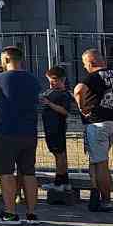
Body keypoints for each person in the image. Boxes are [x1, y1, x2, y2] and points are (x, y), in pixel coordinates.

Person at [0, 46, 43, 225]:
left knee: (6, 172)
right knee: (29, 172)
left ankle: (9, 213)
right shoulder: (33, 79)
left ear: (6, 59)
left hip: (7, 131)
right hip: (29, 131)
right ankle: (32, 213)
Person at [74, 49, 113, 212]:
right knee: (95, 160)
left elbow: (79, 90)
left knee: (101, 163)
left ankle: (106, 201)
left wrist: (81, 106)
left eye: (85, 64)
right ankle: (95, 192)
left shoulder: (92, 77)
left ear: (90, 63)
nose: (85, 67)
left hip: (97, 123)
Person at [41, 66, 73, 195]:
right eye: (50, 80)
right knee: (59, 154)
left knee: (60, 155)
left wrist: (49, 104)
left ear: (62, 79)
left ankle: (59, 183)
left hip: (56, 128)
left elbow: (65, 111)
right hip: (50, 127)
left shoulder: (64, 94)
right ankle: (65, 182)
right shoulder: (50, 91)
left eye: (54, 80)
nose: (51, 83)